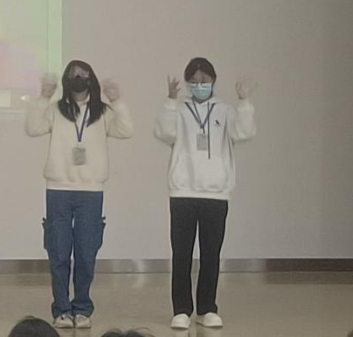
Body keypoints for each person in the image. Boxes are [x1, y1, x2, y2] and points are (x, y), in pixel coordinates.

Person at [26, 60, 134, 330]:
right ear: (66, 80)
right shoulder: (56, 110)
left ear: (91, 79)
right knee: (59, 253)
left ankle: (83, 308)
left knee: (86, 253)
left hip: (91, 190)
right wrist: (43, 96)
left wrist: (117, 101)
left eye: (84, 74)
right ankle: (62, 310)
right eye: (74, 74)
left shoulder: (103, 112)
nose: (79, 78)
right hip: (58, 189)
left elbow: (126, 130)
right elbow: (32, 128)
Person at [153, 57, 256, 331]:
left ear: (213, 81)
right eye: (194, 81)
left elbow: (244, 132)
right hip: (183, 191)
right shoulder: (179, 109)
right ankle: (181, 310)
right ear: (188, 83)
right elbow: (164, 133)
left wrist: (244, 101)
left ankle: (207, 308)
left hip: (216, 194)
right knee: (181, 254)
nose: (199, 85)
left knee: (211, 254)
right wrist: (170, 101)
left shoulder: (224, 110)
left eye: (204, 81)